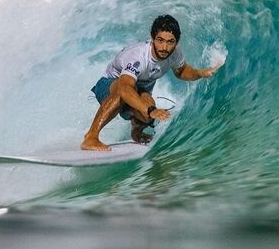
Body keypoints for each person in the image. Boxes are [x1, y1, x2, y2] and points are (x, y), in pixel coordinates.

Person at [81, 14, 224, 151]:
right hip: (110, 87)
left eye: (170, 42)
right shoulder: (138, 56)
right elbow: (125, 88)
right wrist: (151, 110)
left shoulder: (174, 52)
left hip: (136, 89)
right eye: (160, 40)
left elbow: (181, 71)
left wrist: (201, 73)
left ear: (176, 42)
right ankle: (91, 136)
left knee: (147, 105)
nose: (164, 47)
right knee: (133, 98)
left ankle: (136, 131)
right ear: (152, 38)